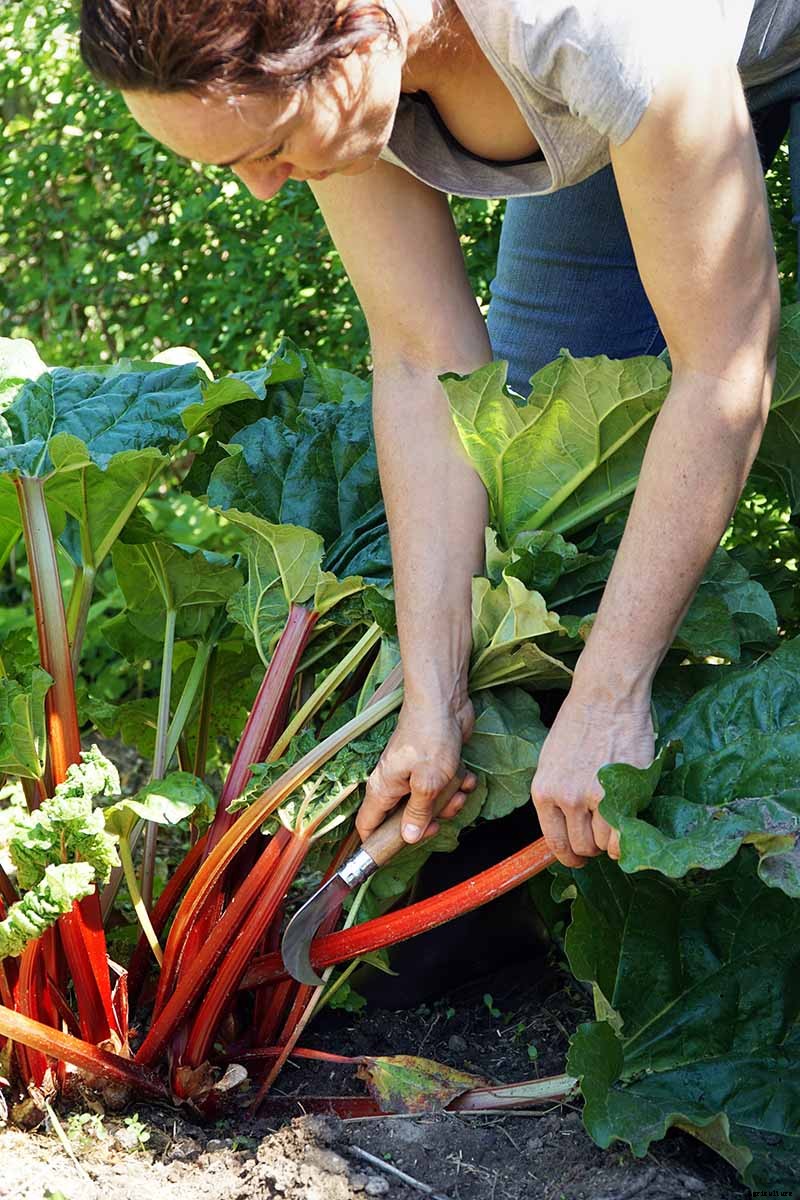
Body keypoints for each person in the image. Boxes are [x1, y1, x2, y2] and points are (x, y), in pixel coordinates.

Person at [80, 0, 798, 869]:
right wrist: (433, 691)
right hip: (663, 72)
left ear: (351, 31)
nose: (262, 187)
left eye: (267, 149)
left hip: (680, 43)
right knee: (538, 450)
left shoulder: (592, 22)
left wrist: (611, 695)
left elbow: (723, 364)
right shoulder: (340, 75)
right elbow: (424, 363)